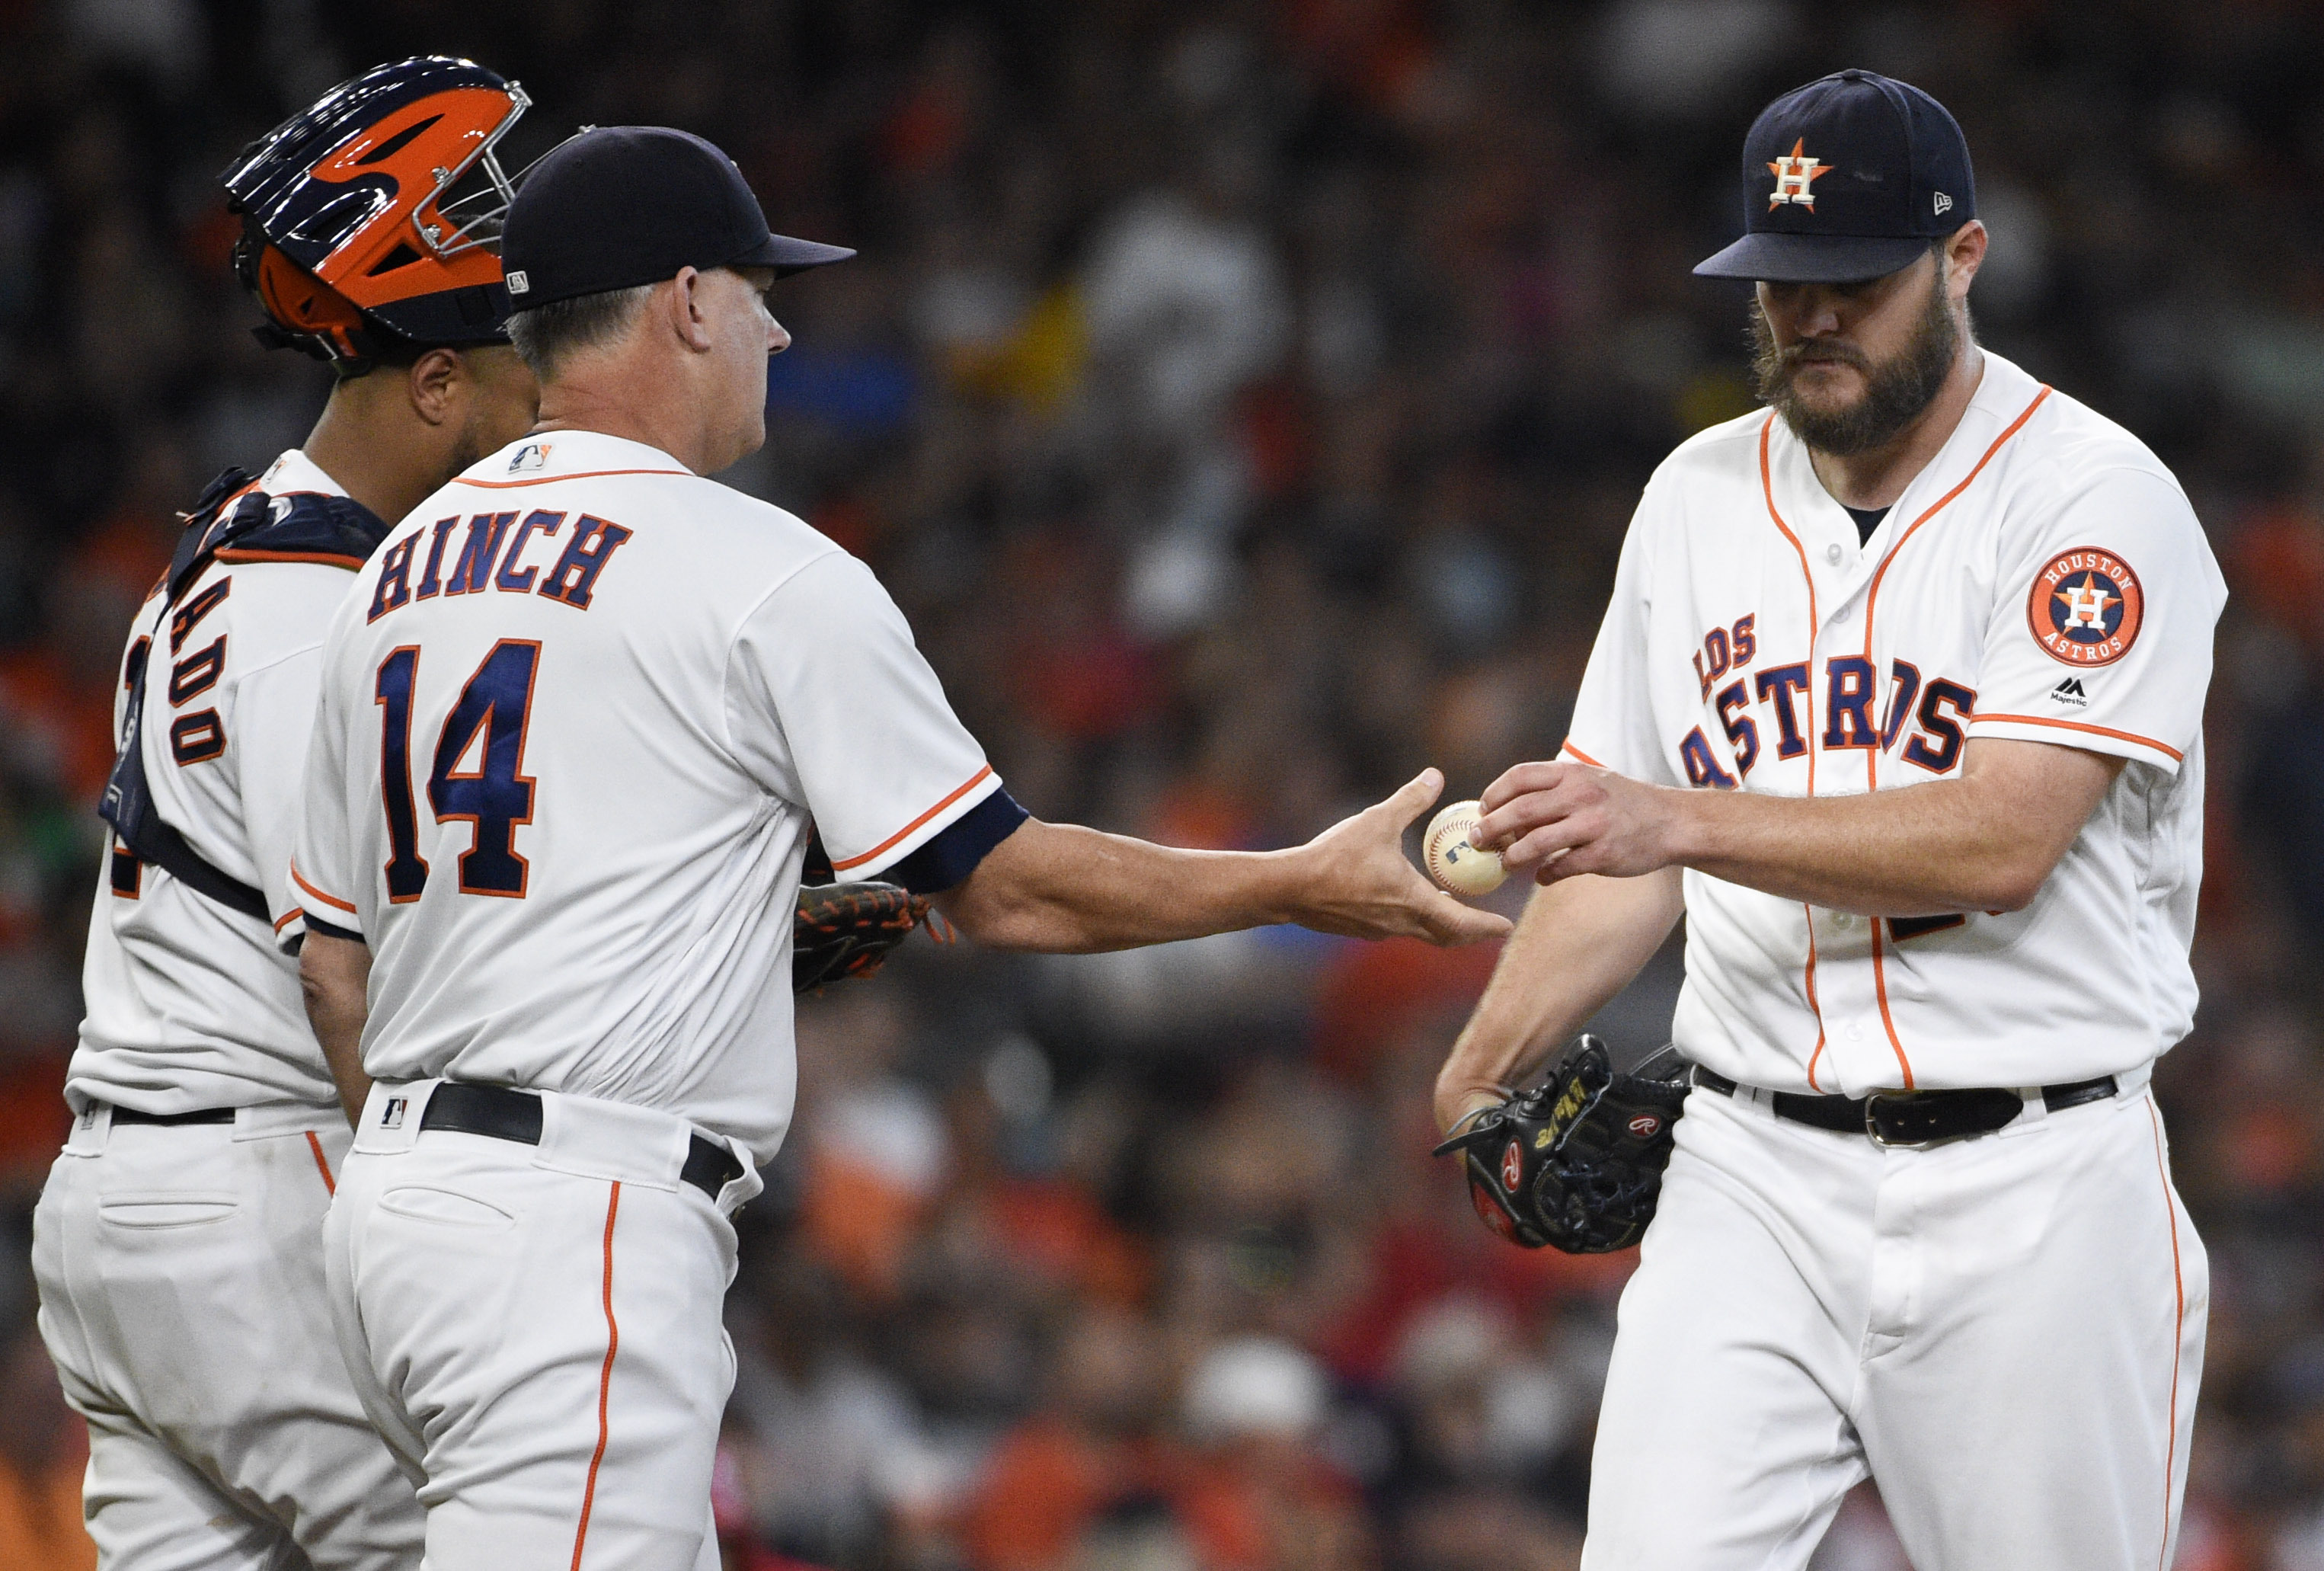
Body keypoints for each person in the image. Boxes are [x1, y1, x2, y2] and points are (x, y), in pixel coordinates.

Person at [289, 124, 1504, 1567]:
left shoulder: (391, 575)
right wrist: (1297, 880)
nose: (777, 323)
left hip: (390, 1211)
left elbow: (334, 961)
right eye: (756, 290)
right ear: (683, 302)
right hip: (577, 1224)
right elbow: (1008, 889)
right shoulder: (757, 565)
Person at [1432, 70, 2220, 1569]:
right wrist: (1473, 1072)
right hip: (1748, 1173)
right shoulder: (1690, 497)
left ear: (1961, 261)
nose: (1810, 319)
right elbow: (1615, 851)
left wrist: (1673, 820)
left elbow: (2000, 838)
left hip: (2033, 1189)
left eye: (1852, 282)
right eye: (1782, 283)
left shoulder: (2091, 498)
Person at [32, 57, 541, 1569]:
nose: (541, 397)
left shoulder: (230, 552)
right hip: (256, 1199)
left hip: (127, 1204)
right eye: (517, 364)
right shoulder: (326, 612)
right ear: (434, 380)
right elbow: (345, 972)